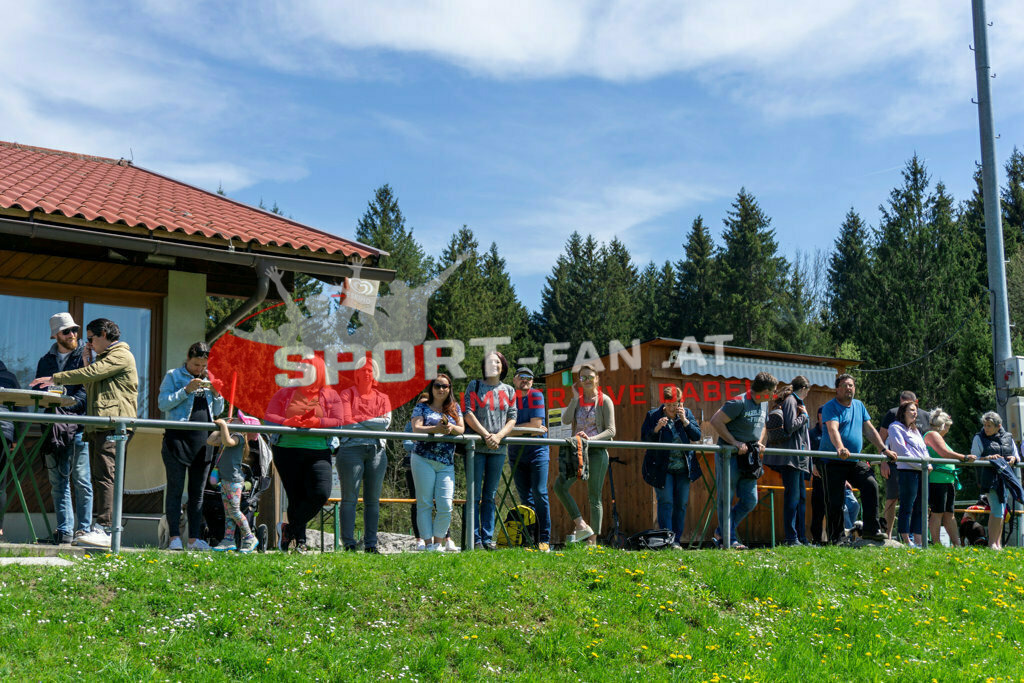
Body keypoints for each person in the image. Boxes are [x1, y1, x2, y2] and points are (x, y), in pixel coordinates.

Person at [36, 318, 138, 549]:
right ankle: (100, 528)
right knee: (99, 477)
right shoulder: (102, 358)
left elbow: (93, 373)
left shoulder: (120, 354)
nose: (88, 344)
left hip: (114, 425)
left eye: (90, 339)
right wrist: (87, 360)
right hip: (100, 426)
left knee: (104, 478)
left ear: (103, 334)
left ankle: (104, 529)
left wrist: (58, 377)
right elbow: (93, 384)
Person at [265, 355, 345, 552]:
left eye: (307, 366)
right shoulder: (285, 393)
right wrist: (286, 422)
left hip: (319, 451)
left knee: (320, 493)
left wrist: (317, 422)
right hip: (286, 451)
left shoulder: (331, 395)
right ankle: (300, 542)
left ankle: (288, 530)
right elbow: (269, 417)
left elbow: (339, 421)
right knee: (296, 497)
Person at [157, 341, 224, 551]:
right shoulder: (173, 376)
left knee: (198, 493)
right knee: (175, 491)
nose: (200, 370)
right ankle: (174, 538)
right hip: (177, 440)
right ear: (188, 358)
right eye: (196, 365)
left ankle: (194, 539)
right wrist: (186, 390)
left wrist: (216, 392)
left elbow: (219, 410)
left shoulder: (210, 377)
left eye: (203, 366)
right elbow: (163, 403)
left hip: (204, 443)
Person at [35, 313, 94, 546]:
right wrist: (57, 399)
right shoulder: (45, 360)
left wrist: (62, 400)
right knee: (58, 482)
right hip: (52, 428)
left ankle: (84, 531)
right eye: (66, 331)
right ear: (55, 335)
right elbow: (39, 392)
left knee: (81, 480)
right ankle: (64, 532)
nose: (72, 335)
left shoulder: (86, 357)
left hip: (78, 427)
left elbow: (86, 394)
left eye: (75, 330)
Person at [819, 374, 895, 544]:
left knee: (870, 483)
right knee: (835, 500)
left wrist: (883, 449)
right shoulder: (830, 407)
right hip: (833, 460)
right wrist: (840, 448)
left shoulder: (859, 406)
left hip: (854, 460)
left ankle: (871, 530)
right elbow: (833, 429)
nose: (849, 388)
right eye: (845, 385)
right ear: (837, 389)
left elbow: (869, 430)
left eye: (851, 385)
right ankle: (836, 538)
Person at [710, 371, 777, 549]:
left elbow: (763, 425)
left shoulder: (764, 404)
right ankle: (729, 540)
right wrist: (734, 442)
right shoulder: (738, 402)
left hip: (750, 458)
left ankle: (723, 531)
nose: (773, 395)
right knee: (726, 497)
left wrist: (759, 442)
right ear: (764, 390)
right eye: (772, 392)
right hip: (730, 456)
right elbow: (716, 421)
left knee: (750, 499)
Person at [553, 364, 616, 545]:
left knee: (594, 496)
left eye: (590, 376)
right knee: (559, 486)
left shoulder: (605, 400)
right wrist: (573, 398)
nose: (587, 380)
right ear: (579, 381)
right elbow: (565, 420)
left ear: (597, 378)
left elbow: (611, 431)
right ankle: (581, 524)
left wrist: (591, 439)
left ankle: (592, 540)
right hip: (577, 452)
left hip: (596, 452)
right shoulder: (578, 400)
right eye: (583, 377)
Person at [336, 358, 392, 553]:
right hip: (351, 449)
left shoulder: (383, 398)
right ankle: (349, 543)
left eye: (370, 370)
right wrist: (369, 422)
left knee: (373, 500)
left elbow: (385, 424)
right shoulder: (346, 395)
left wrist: (358, 418)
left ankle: (370, 544)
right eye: (362, 370)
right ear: (356, 374)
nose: (366, 373)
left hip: (377, 451)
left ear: (374, 374)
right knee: (349, 498)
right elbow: (345, 422)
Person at [463, 351, 517, 550]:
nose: (493, 365)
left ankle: (487, 538)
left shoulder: (510, 390)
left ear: (503, 366)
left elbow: (512, 417)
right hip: (476, 447)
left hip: (498, 448)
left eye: (497, 362)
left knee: (490, 495)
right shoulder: (474, 385)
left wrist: (499, 436)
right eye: (489, 362)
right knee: (474, 494)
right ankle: (474, 539)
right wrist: (486, 435)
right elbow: (467, 412)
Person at [641, 385, 702, 549]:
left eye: (676, 404)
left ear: (681, 401)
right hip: (662, 467)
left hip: (683, 467)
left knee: (681, 504)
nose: (672, 408)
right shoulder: (653, 415)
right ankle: (666, 540)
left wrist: (685, 421)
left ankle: (676, 541)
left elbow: (697, 435)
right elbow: (644, 440)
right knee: (666, 502)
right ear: (664, 403)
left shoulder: (686, 413)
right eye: (669, 405)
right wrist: (656, 428)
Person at [410, 374, 465, 552]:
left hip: (446, 462)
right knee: (424, 503)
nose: (441, 389)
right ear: (431, 388)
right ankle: (428, 545)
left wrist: (451, 428)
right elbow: (416, 428)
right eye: (437, 386)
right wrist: (435, 429)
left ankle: (438, 543)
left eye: (445, 386)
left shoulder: (454, 408)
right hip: (422, 459)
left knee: (446, 505)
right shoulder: (421, 407)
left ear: (450, 389)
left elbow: (462, 428)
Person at [763, 377, 811, 545]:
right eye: (808, 390)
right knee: (793, 497)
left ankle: (801, 538)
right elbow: (790, 426)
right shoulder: (791, 401)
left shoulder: (794, 401)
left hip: (797, 459)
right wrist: (804, 416)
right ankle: (791, 537)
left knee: (800, 498)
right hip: (790, 459)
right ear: (804, 388)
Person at [509, 367, 551, 552]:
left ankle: (544, 539)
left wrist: (510, 428)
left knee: (539, 493)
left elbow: (536, 425)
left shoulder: (536, 395)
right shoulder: (508, 397)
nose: (525, 380)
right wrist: (525, 428)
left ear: (532, 382)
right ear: (514, 380)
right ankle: (529, 538)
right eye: (521, 377)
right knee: (525, 497)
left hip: (537, 451)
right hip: (516, 452)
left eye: (529, 378)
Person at [878, 391, 930, 539]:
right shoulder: (894, 425)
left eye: (915, 409)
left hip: (921, 470)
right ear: (903, 411)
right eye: (910, 410)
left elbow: (923, 448)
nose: (914, 413)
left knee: (920, 505)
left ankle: (919, 540)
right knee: (901, 503)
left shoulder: (916, 428)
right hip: (904, 469)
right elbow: (899, 449)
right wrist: (883, 462)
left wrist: (928, 463)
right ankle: (899, 537)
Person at [923, 408, 975, 547]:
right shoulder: (932, 434)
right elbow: (944, 453)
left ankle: (957, 544)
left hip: (947, 480)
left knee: (949, 513)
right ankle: (937, 543)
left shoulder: (938, 436)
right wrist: (964, 457)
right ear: (943, 425)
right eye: (948, 427)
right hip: (937, 480)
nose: (948, 430)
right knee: (937, 513)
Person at [969, 411, 1020, 550]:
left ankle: (997, 544)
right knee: (997, 509)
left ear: (999, 426)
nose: (986, 428)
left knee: (1002, 510)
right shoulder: (979, 438)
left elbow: (1016, 456)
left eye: (989, 425)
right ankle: (992, 544)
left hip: (1005, 479)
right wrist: (988, 458)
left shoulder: (1008, 437)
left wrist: (1014, 459)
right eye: (985, 425)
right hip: (989, 479)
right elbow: (974, 457)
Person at [208, 417, 259, 553]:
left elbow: (228, 442)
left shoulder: (238, 437)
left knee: (234, 511)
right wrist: (218, 427)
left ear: (244, 427)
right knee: (228, 513)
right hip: (225, 480)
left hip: (234, 481)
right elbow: (210, 440)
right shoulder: (229, 434)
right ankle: (228, 539)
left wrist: (224, 425)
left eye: (237, 419)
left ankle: (249, 537)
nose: (233, 419)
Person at [0, 358, 21, 543]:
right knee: (0, 484)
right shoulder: (10, 377)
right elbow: (21, 409)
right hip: (4, 432)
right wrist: (17, 437)